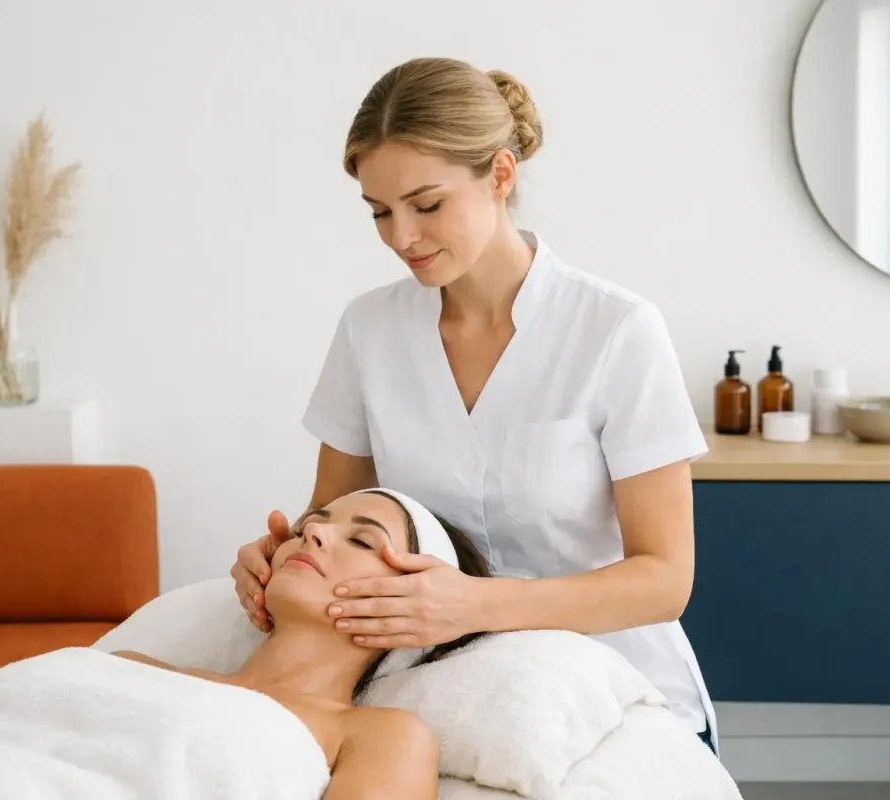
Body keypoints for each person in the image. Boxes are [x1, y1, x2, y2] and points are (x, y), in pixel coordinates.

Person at [230, 56, 719, 754]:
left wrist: (475, 605)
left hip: (614, 691)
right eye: (379, 212)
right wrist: (275, 558)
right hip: (445, 696)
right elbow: (328, 512)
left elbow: (664, 580)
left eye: (426, 205)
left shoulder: (615, 330)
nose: (402, 237)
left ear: (500, 174)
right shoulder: (370, 330)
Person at [118, 488, 492, 799]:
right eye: (307, 527)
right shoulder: (130, 666)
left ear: (415, 610)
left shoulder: (381, 738)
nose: (313, 534)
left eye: (362, 541)